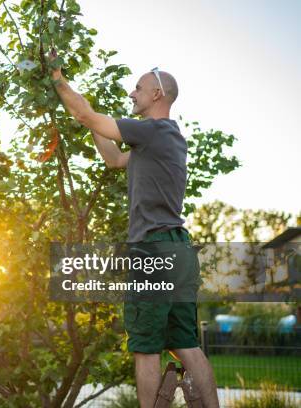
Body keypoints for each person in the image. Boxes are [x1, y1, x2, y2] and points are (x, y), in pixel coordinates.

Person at [48, 50, 220, 408]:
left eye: (138, 88)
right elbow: (113, 159)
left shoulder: (153, 130)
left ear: (157, 94)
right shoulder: (166, 139)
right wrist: (91, 123)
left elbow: (82, 111)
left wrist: (58, 78)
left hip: (153, 249)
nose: (132, 94)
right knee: (186, 343)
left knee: (145, 347)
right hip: (178, 250)